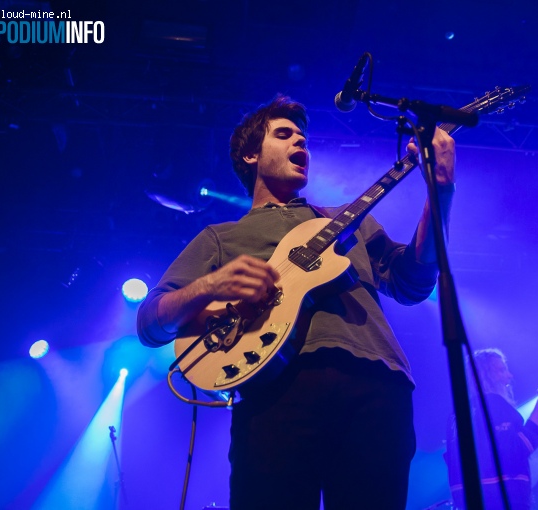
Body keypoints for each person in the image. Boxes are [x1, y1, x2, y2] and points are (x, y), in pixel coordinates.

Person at [137, 94, 456, 510]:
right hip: (274, 392)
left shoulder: (347, 220)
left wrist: (442, 191)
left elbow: (414, 282)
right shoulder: (220, 237)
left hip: (376, 383)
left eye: (304, 138)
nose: (300, 143)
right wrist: (211, 284)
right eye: (284, 134)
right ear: (251, 154)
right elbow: (149, 323)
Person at [445, 348, 538, 510]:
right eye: (502, 370)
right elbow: (514, 451)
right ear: (485, 376)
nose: (509, 376)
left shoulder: (456, 415)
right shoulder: (494, 404)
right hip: (502, 499)